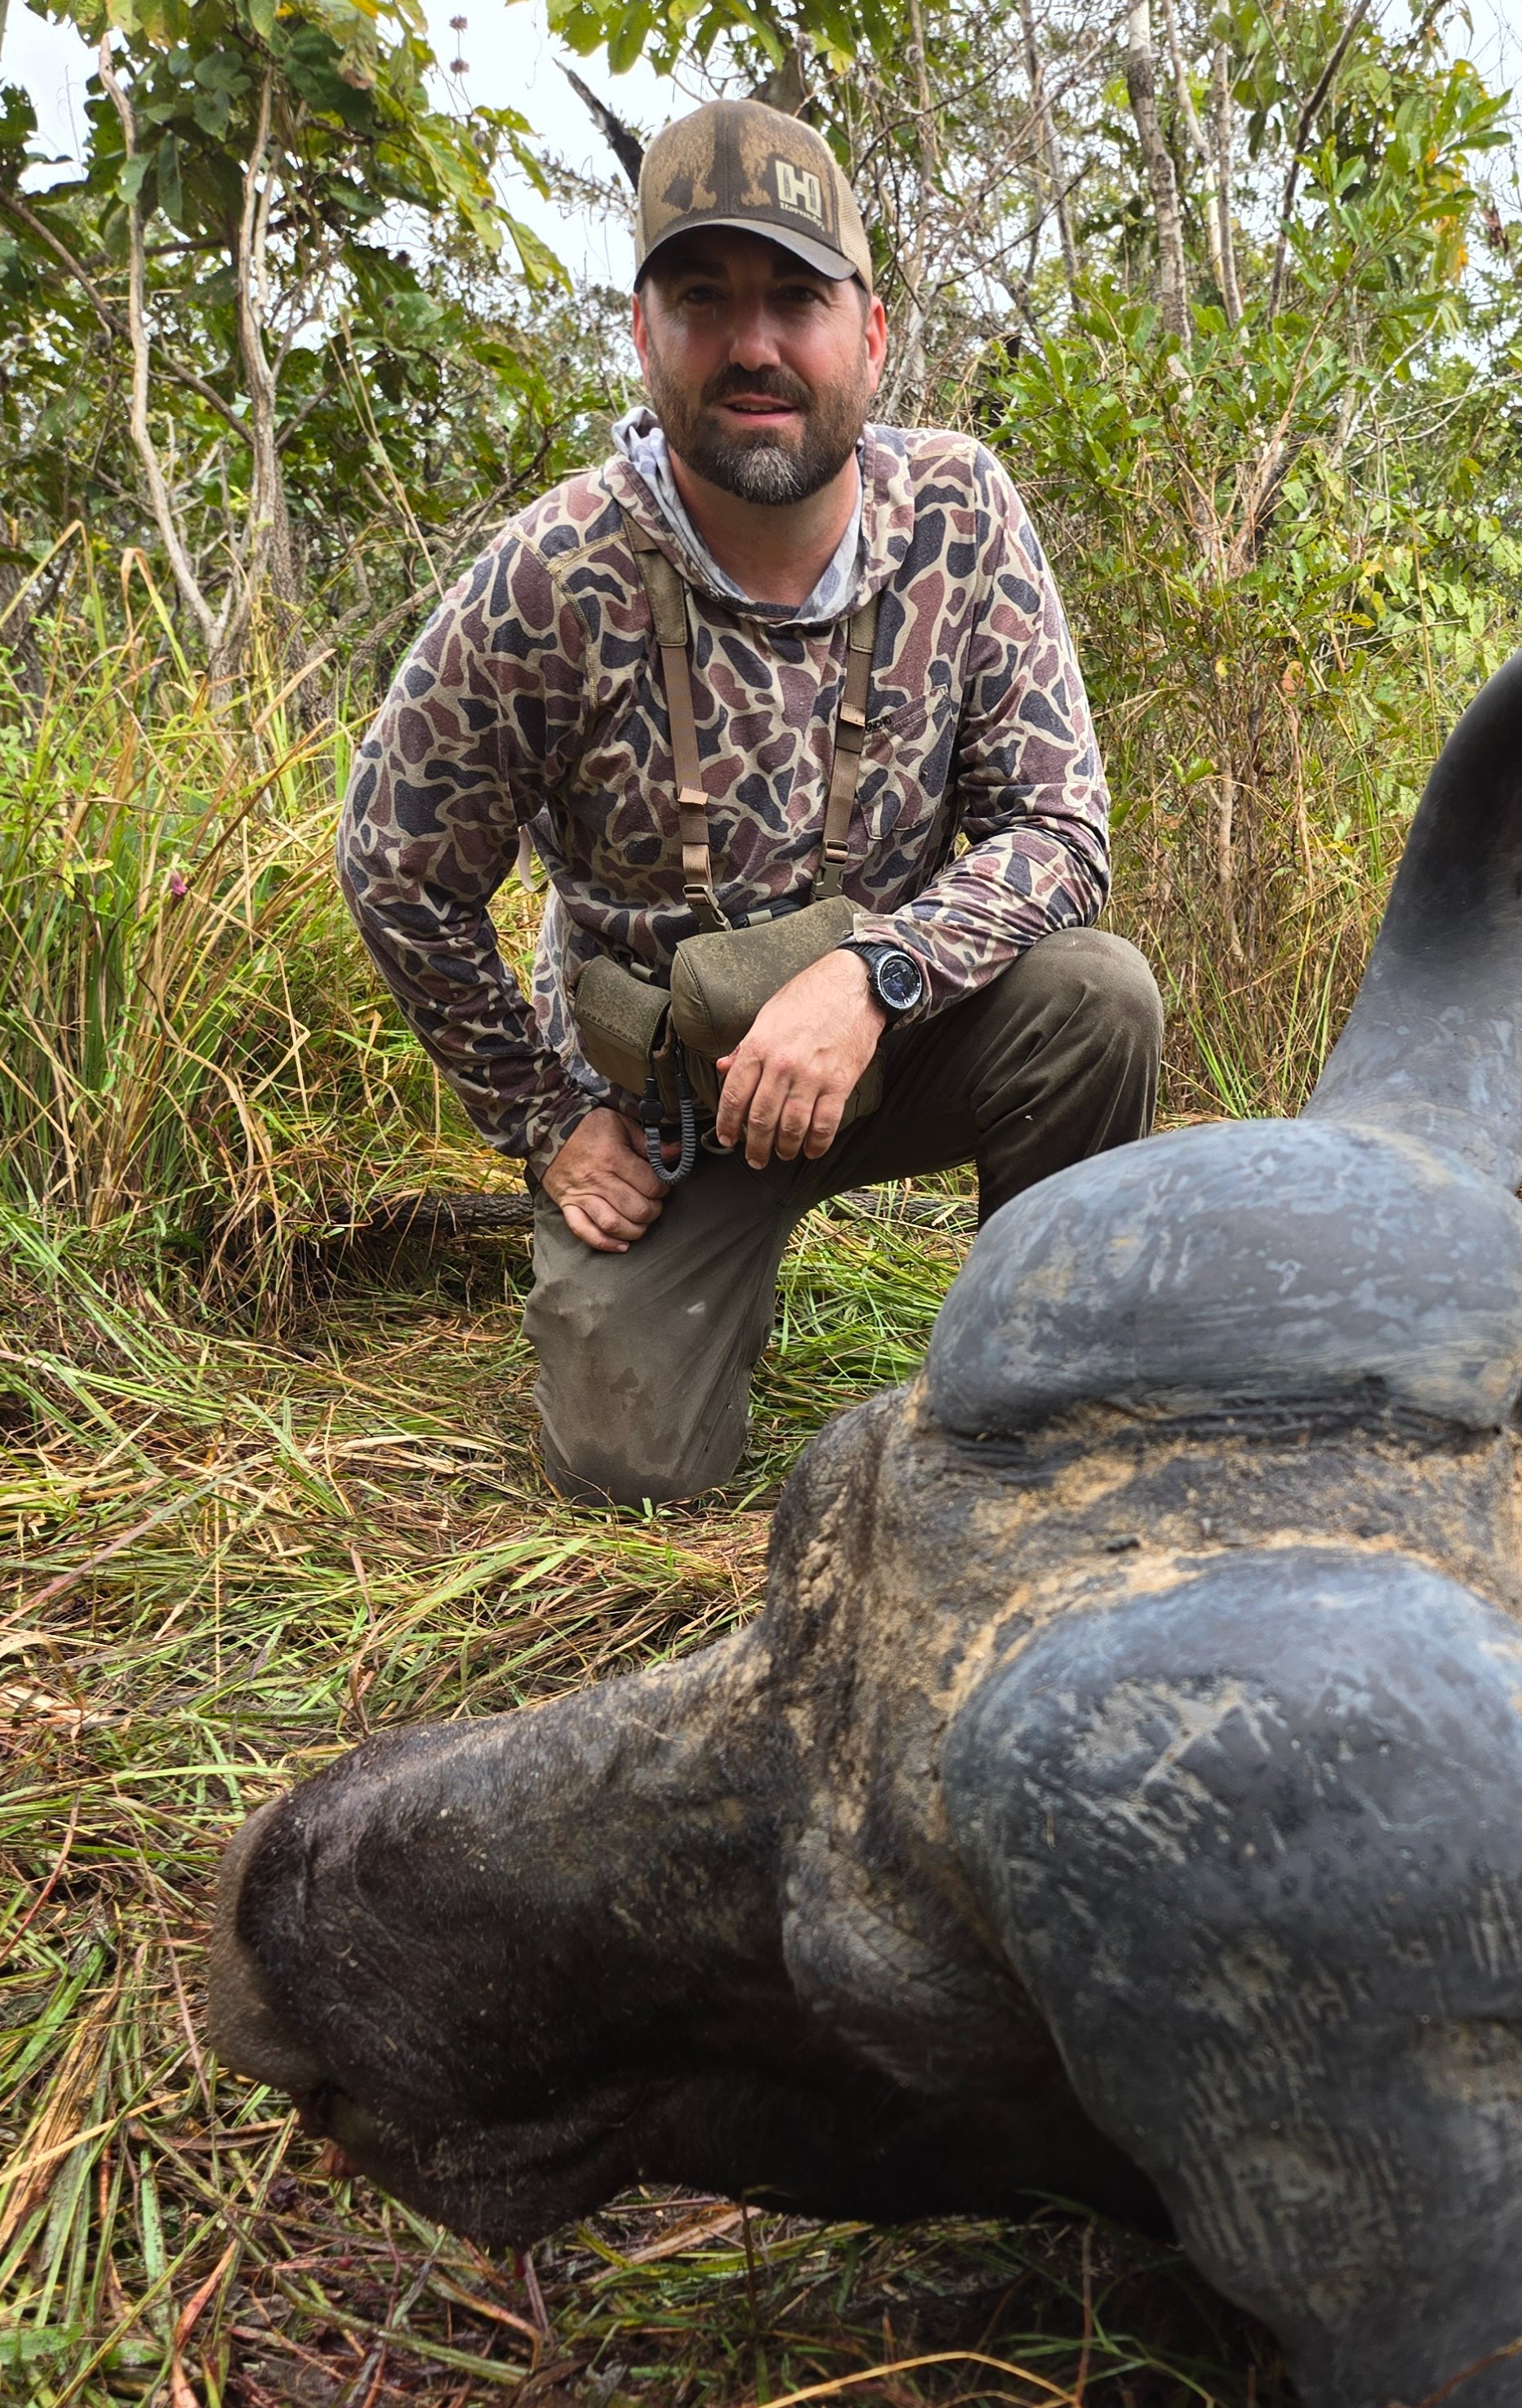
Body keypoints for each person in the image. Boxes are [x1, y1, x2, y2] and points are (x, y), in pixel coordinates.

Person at [340, 98, 1161, 1504]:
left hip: (891, 1041)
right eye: (703, 300)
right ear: (645, 334)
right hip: (661, 1110)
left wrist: (872, 976)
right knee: (630, 1473)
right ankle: (708, 1289)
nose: (756, 346)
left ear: (872, 332)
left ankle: (1035, 1378)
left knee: (1100, 1000)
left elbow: (1063, 833)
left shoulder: (961, 514)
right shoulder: (552, 579)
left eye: (796, 296)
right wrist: (545, 1123)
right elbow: (394, 867)